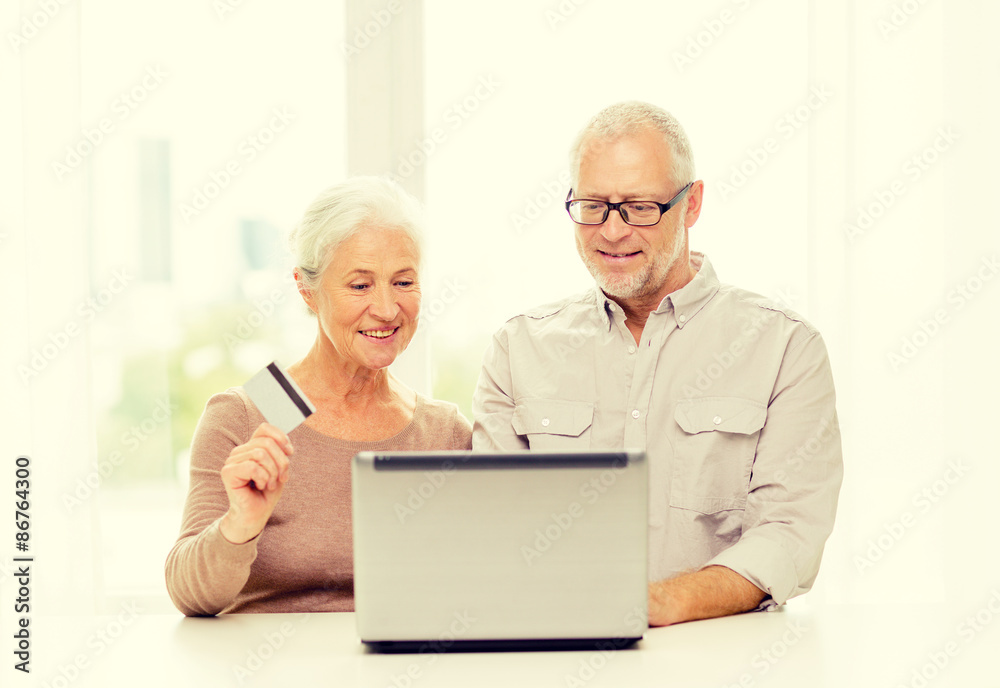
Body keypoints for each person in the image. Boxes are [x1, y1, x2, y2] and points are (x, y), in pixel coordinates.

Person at [472, 102, 843, 626]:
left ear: (691, 204)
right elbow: (494, 531)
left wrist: (661, 603)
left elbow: (790, 534)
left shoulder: (785, 346)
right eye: (593, 206)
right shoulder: (518, 348)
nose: (612, 231)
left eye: (640, 207)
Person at [166, 176, 473, 615]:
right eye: (360, 285)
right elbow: (188, 596)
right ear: (306, 289)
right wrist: (240, 525)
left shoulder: (444, 432)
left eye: (404, 283)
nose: (387, 309)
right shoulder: (245, 414)